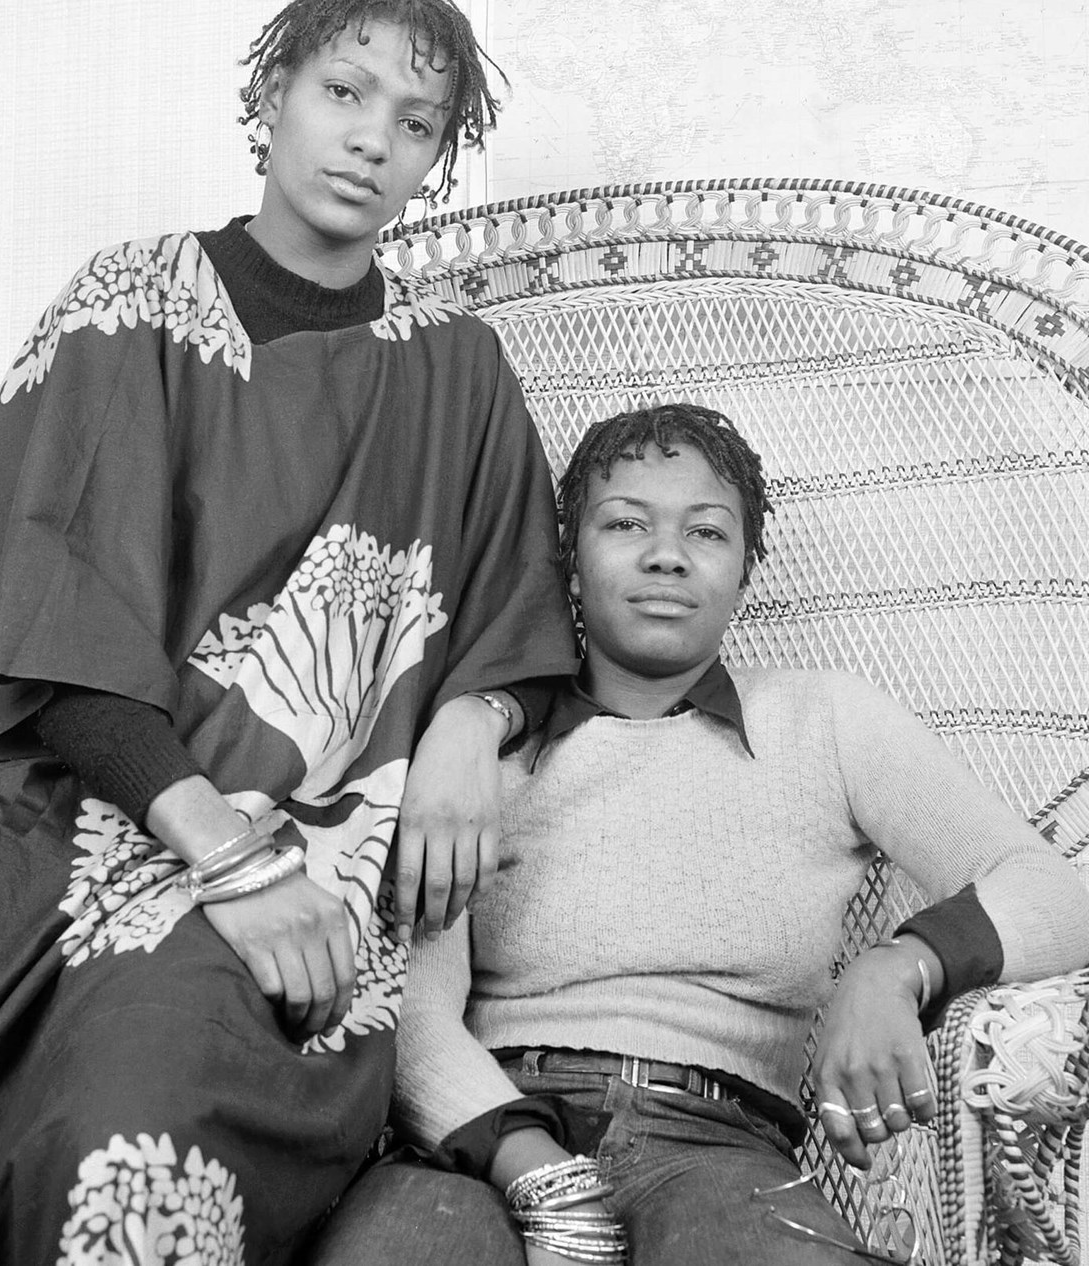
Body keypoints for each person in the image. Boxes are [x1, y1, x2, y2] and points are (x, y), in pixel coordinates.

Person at [0, 0, 577, 1265]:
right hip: (61, 797)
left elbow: (516, 627)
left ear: (438, 163)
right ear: (272, 96)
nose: (375, 136)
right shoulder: (128, 302)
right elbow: (54, 621)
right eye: (344, 90)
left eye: (419, 121)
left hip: (316, 854)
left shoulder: (459, 371)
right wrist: (228, 860)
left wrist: (467, 735)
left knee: (133, 1116)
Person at [307, 402, 1089, 1265]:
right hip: (482, 1137)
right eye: (625, 523)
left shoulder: (823, 720)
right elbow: (412, 1013)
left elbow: (1054, 887)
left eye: (707, 533)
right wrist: (536, 1171)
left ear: (745, 572)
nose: (666, 554)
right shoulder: (480, 756)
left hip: (720, 1148)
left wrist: (899, 968)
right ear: (569, 561)